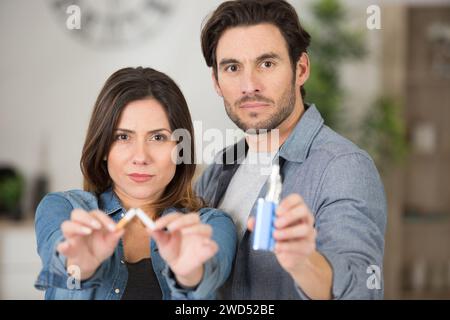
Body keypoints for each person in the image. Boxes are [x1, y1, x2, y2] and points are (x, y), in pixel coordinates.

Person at [196, 0, 387, 299]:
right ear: (217, 82)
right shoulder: (221, 167)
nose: (249, 85)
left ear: (301, 69)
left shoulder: (343, 167)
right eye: (232, 67)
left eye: (267, 64)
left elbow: (362, 288)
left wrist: (303, 262)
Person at [34, 67, 237, 300]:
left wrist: (190, 274)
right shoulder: (62, 208)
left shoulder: (211, 225)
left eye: (158, 137)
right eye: (123, 137)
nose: (140, 157)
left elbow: (208, 277)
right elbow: (59, 259)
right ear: (103, 148)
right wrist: (80, 266)